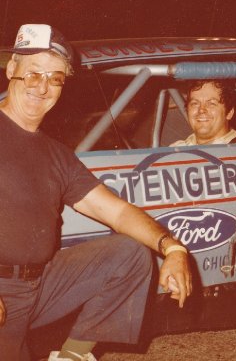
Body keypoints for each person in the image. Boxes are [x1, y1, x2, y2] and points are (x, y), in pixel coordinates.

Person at [0, 24, 191, 361]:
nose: (43, 87)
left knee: (129, 252)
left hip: (39, 286)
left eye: (55, 78)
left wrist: (173, 248)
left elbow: (115, 212)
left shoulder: (56, 154)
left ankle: (73, 357)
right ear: (12, 69)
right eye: (33, 74)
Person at [170, 80, 236, 146]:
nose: (201, 110)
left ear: (229, 113)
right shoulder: (172, 151)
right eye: (195, 103)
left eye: (211, 104)